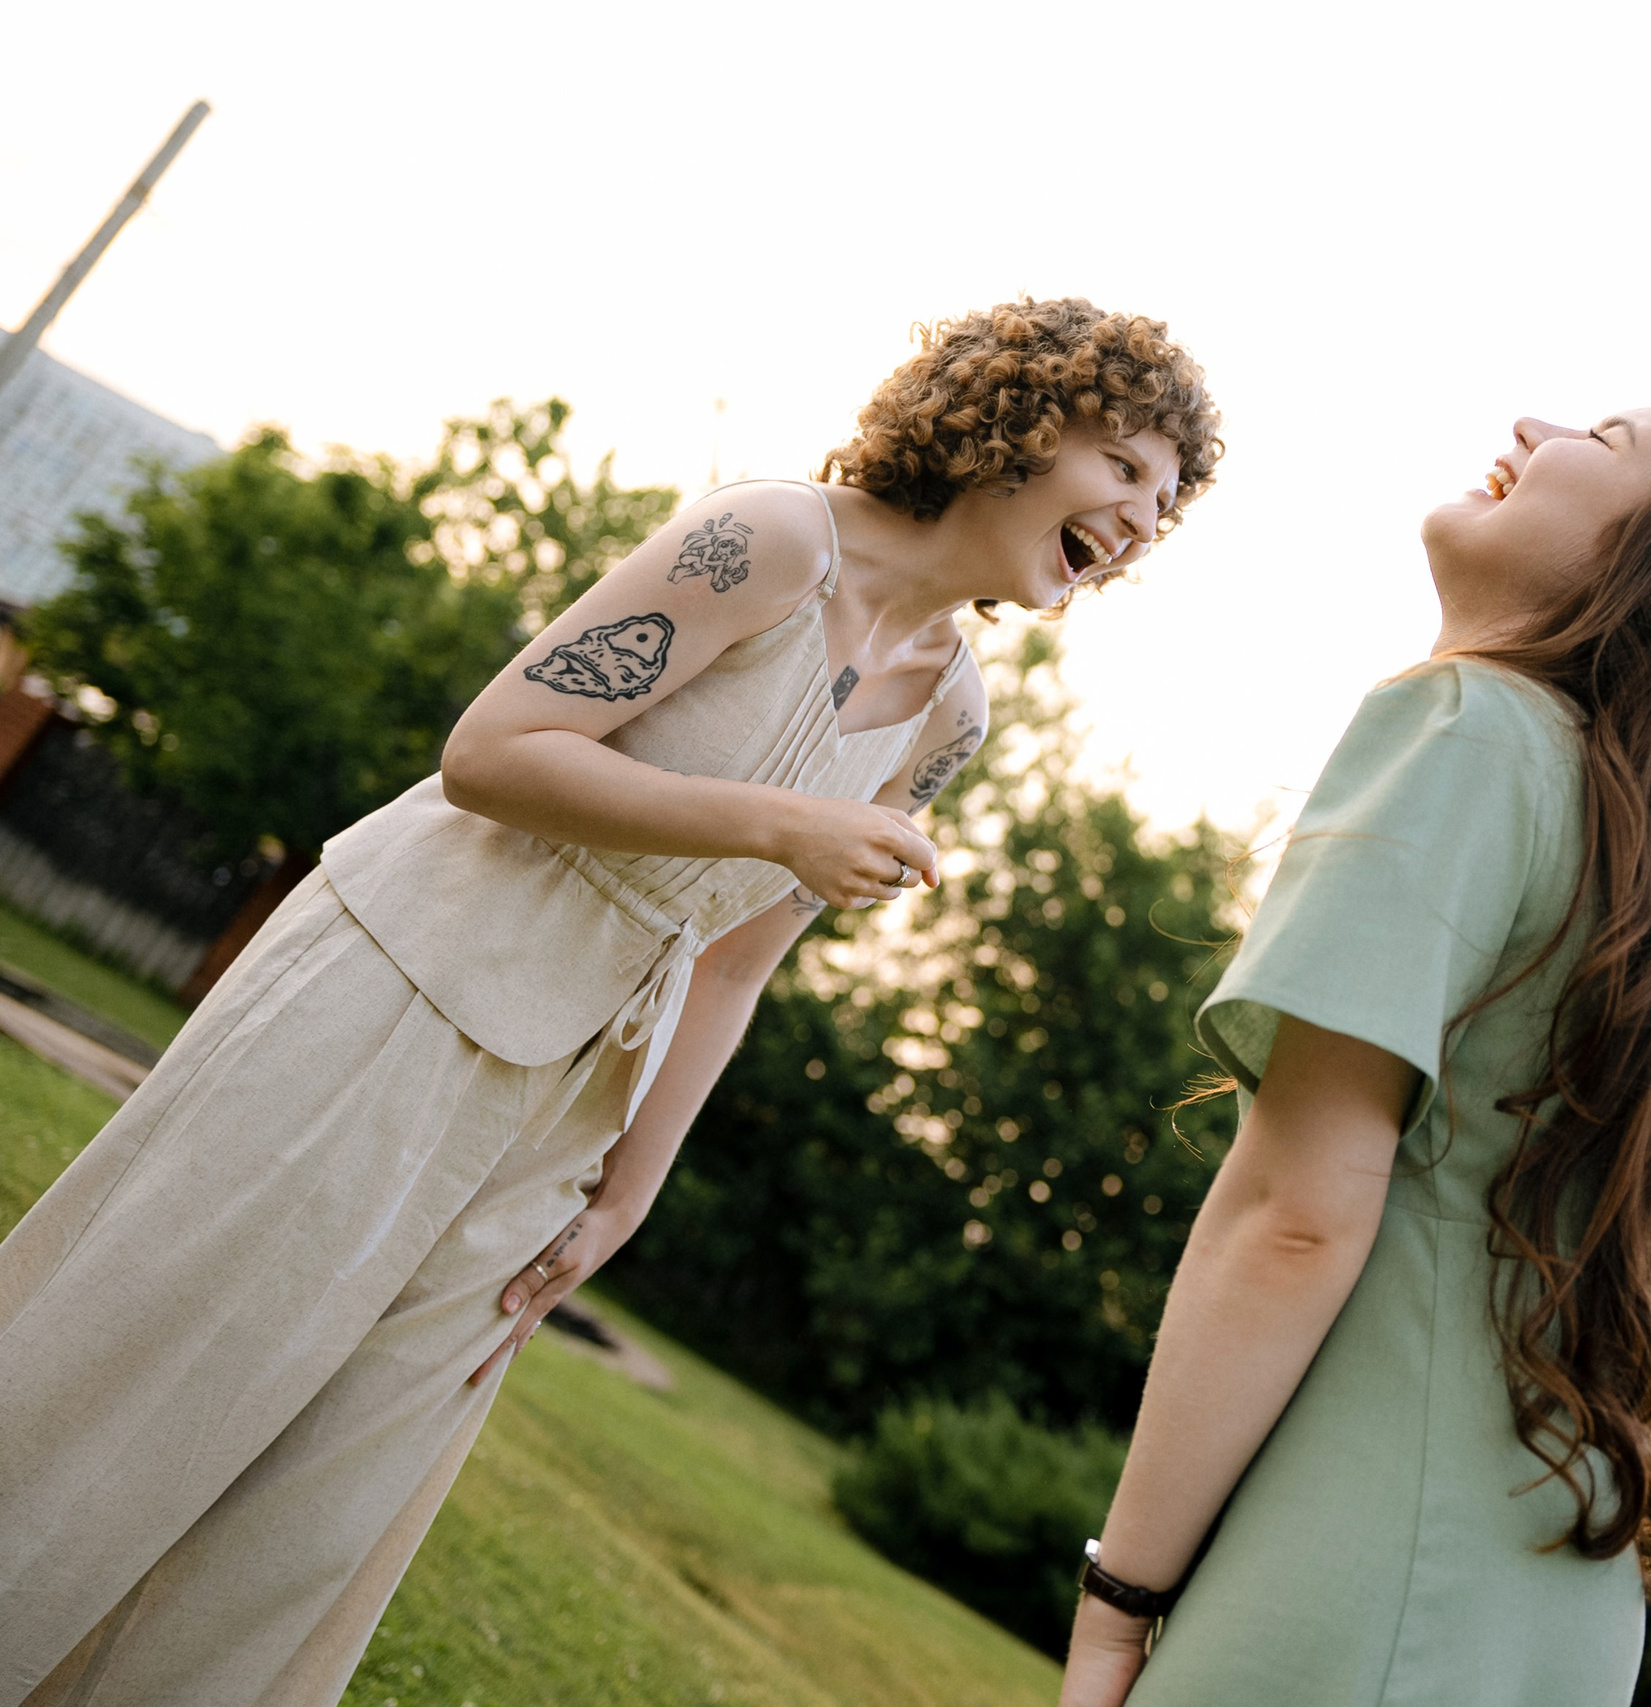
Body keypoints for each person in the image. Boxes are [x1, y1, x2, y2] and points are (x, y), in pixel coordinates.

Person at [0, 298, 1219, 1707]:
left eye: (1166, 505)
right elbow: (493, 750)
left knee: (313, 1527)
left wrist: (623, 1194)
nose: (1140, 519)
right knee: (142, 1377)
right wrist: (768, 821)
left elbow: (738, 962)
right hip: (402, 984)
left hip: (574, 1109)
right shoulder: (768, 538)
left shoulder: (953, 716)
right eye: (1125, 468)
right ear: (1019, 418)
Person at [1059, 403, 1651, 1706]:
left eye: (1608, 433)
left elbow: (1294, 1220)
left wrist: (1116, 1606)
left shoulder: (1468, 726)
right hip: (1551, 1610)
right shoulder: (1645, 880)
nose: (1536, 423)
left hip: (1362, 1576)